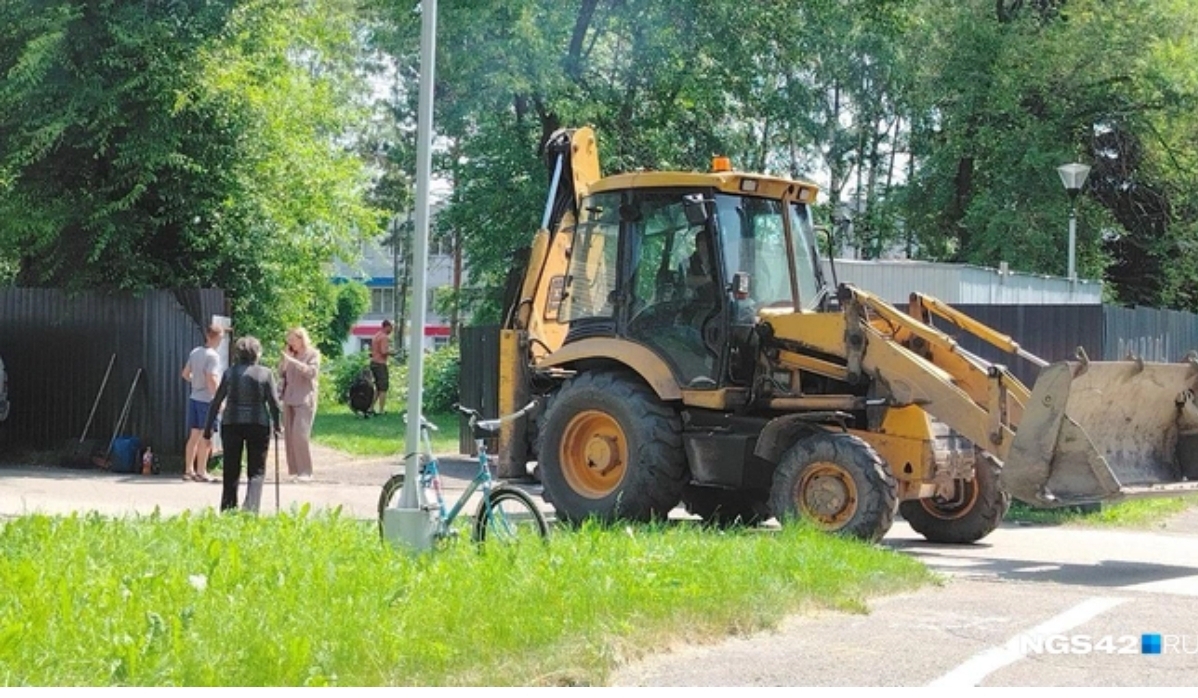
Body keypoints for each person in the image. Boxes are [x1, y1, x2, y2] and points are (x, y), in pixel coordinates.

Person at [203, 336, 281, 513]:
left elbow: (216, 401)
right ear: (257, 354)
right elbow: (274, 404)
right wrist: (277, 425)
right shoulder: (265, 373)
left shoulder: (230, 373)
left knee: (231, 468)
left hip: (231, 423)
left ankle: (228, 508)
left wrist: (208, 428)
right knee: (256, 471)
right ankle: (251, 510)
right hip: (258, 424)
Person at [180, 324, 224, 482]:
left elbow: (185, 374)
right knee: (207, 437)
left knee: (194, 435)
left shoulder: (195, 352)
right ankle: (201, 471)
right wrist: (218, 400)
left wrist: (196, 382)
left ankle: (188, 470)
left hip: (194, 397)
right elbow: (211, 377)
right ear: (216, 337)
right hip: (207, 400)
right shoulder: (213, 356)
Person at [279, 326, 321, 482]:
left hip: (304, 398)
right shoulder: (290, 354)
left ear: (301, 339)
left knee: (300, 435)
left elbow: (311, 373)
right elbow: (281, 373)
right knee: (290, 436)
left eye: (292, 340)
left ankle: (306, 471)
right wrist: (285, 361)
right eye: (288, 340)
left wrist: (294, 361)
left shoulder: (313, 354)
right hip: (289, 398)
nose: (290, 343)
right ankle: (296, 471)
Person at [369, 319, 394, 415]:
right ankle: (381, 410)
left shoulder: (376, 336)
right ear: (387, 326)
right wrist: (393, 352)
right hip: (380, 364)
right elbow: (383, 351)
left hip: (374, 363)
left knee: (378, 388)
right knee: (383, 388)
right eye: (391, 327)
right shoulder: (384, 337)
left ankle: (371, 408)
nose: (391, 330)